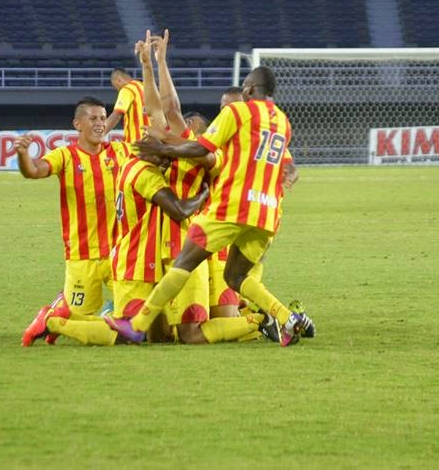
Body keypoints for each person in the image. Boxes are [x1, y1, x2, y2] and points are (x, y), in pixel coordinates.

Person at [106, 65, 314, 347]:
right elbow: (286, 163)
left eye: (245, 85)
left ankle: (137, 325)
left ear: (251, 89)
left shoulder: (238, 112)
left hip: (232, 206)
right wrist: (290, 171)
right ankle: (287, 319)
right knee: (237, 276)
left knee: (184, 261)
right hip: (267, 212)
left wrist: (164, 149)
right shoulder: (282, 121)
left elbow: (202, 148)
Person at [16, 96, 131, 346]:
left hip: (118, 254)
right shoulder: (65, 157)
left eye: (103, 118)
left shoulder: (120, 151)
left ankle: (65, 314)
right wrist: (22, 154)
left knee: (133, 320)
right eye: (93, 118)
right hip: (82, 256)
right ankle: (52, 317)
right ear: (78, 124)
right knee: (83, 321)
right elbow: (33, 171)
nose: (100, 123)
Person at [106, 38, 152, 143]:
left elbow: (117, 115)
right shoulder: (145, 87)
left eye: (115, 86)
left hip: (136, 144)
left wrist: (100, 134)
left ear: (118, 80)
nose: (116, 89)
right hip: (154, 143)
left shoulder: (127, 89)